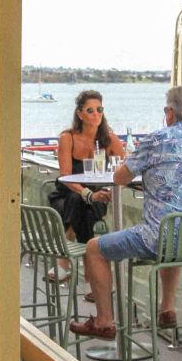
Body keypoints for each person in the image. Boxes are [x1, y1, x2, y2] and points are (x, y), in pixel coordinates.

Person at [70, 84, 182, 340]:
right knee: (172, 235)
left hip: (157, 238)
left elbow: (119, 177)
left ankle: (104, 321)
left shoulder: (157, 139)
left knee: (94, 249)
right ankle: (167, 307)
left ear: (170, 113)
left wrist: (150, 179)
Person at [47, 91, 126, 273]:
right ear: (79, 113)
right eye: (90, 110)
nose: (96, 114)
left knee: (82, 206)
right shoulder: (68, 138)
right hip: (66, 196)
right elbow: (65, 176)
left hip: (97, 198)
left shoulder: (109, 140)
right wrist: (87, 194)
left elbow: (124, 171)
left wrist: (105, 192)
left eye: (99, 109)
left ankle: (65, 256)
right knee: (78, 203)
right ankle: (91, 276)